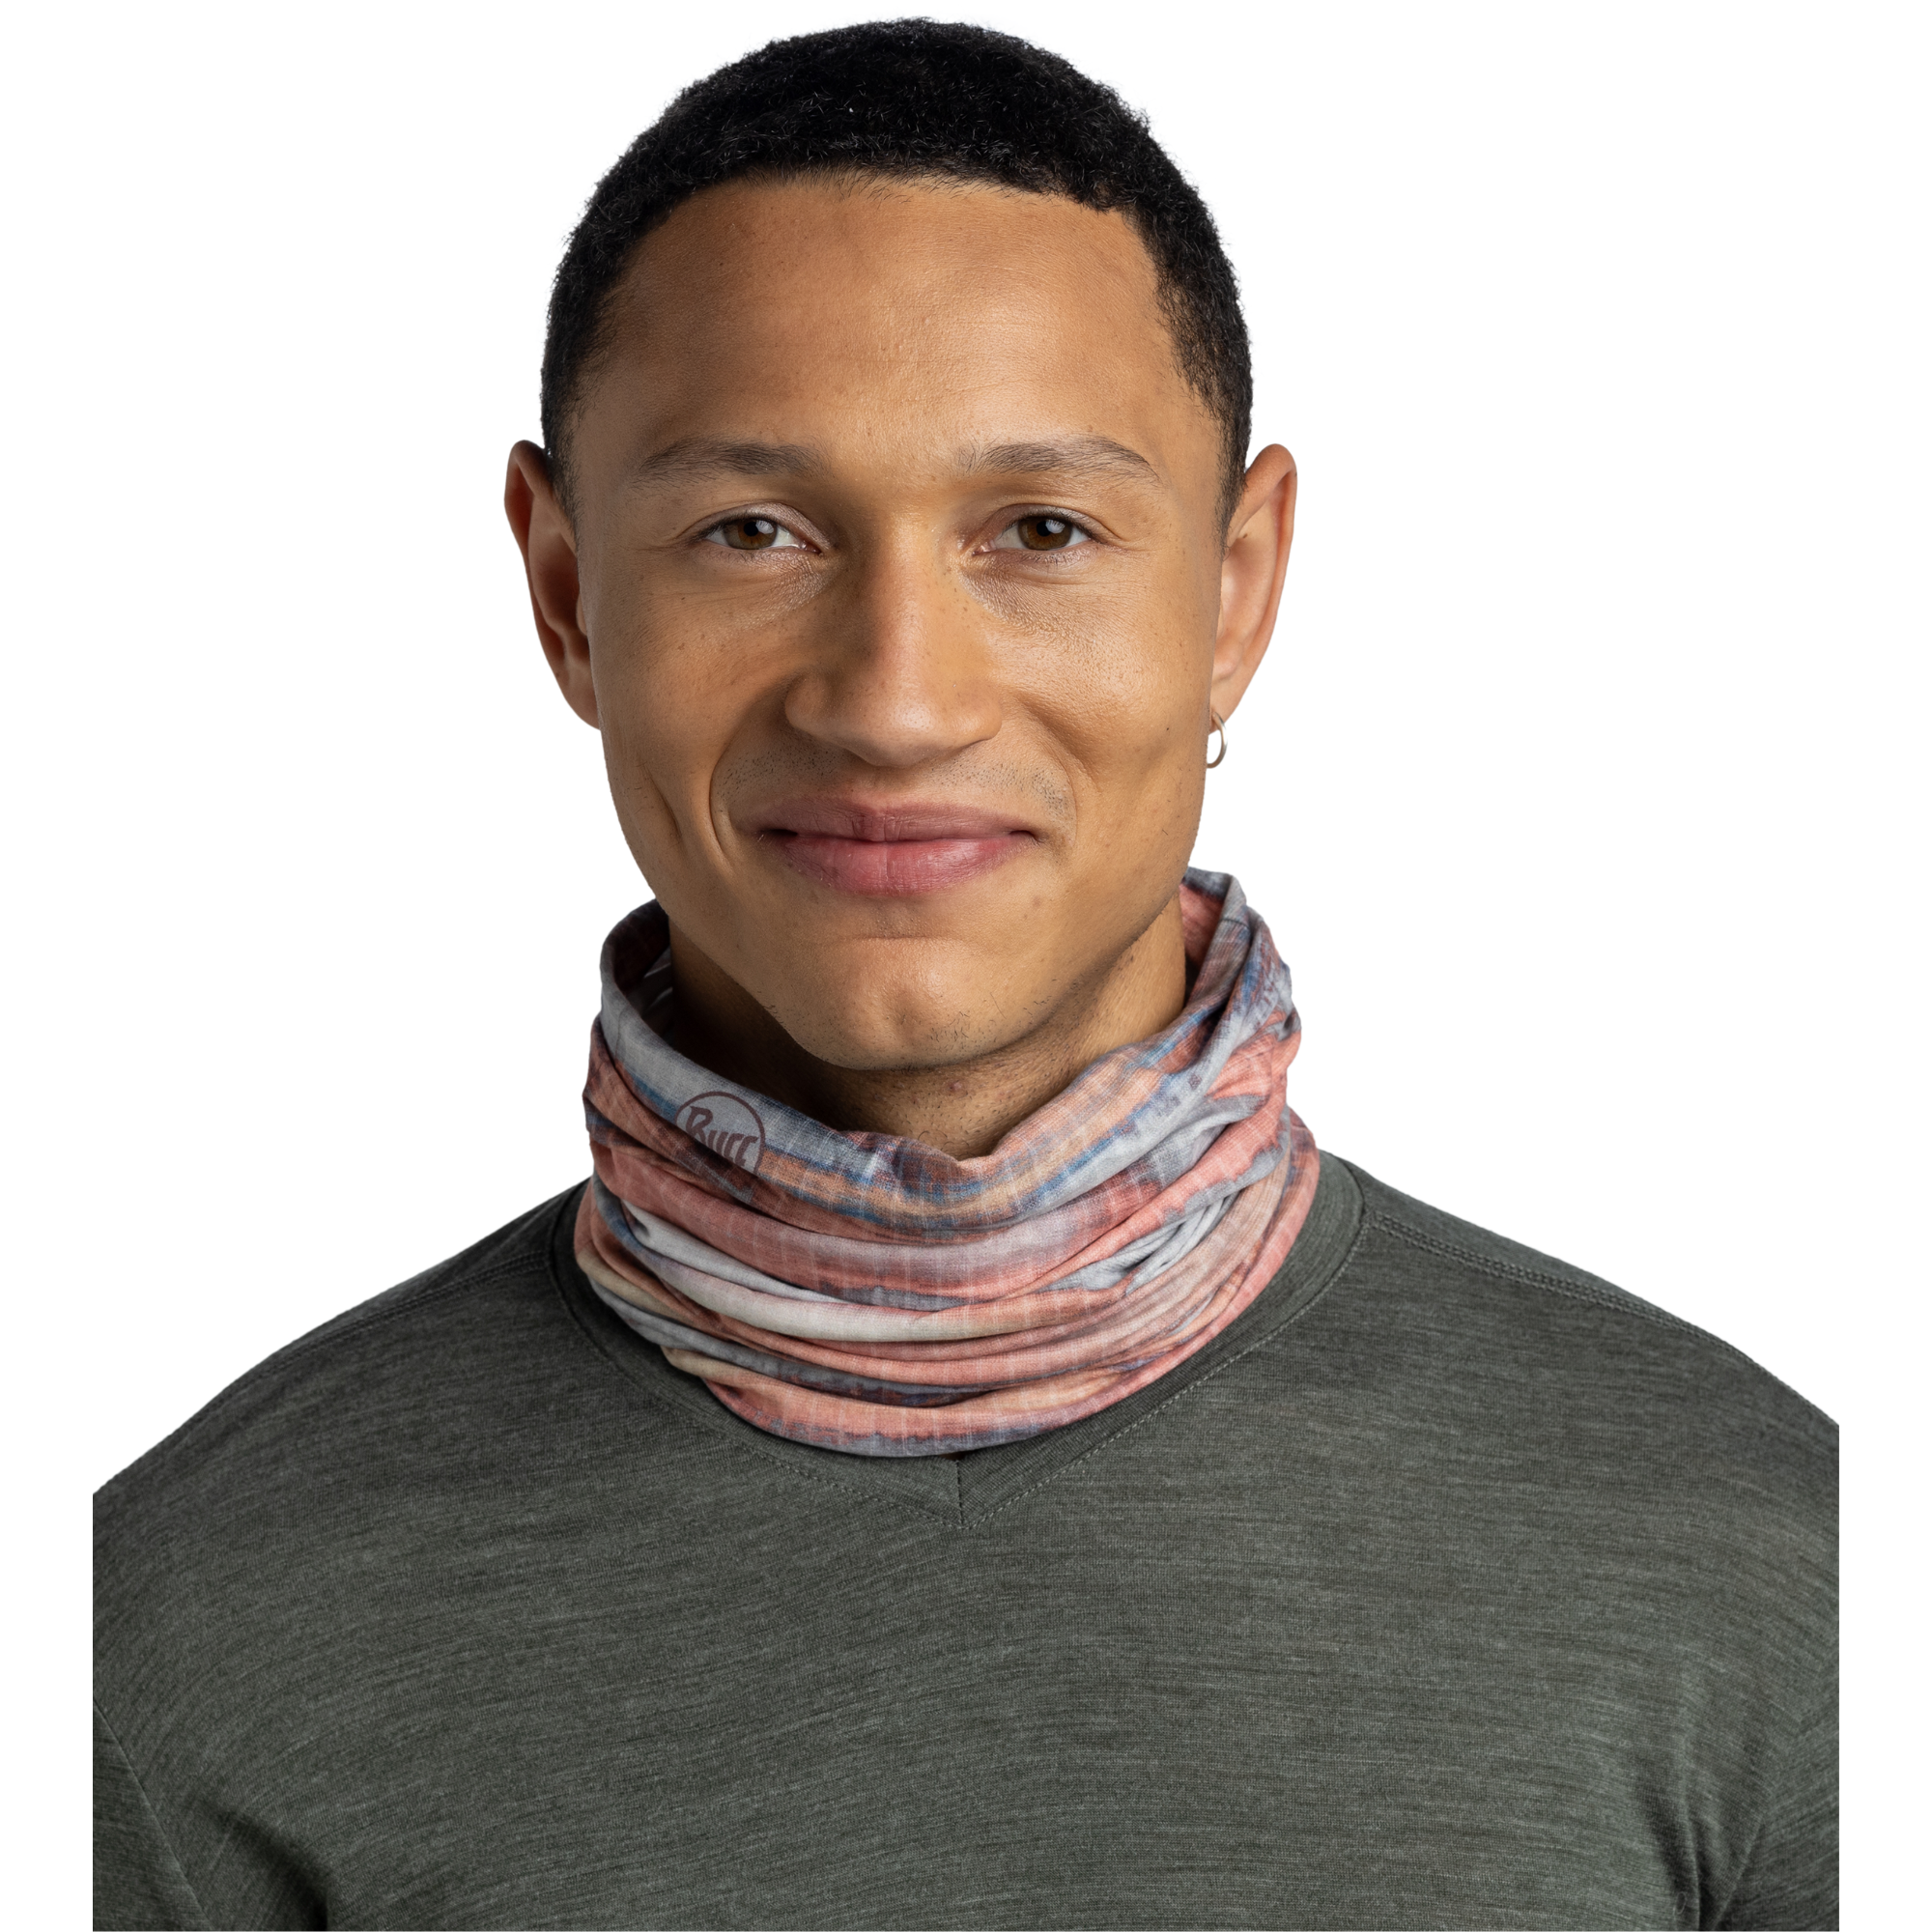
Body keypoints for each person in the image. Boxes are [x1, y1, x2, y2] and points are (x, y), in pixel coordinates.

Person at [92, 20, 1836, 1929]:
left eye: (1040, 531)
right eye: (754, 532)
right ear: (570, 594)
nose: (897, 700)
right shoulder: (171, 1639)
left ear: (1234, 590)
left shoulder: (1782, 1577)